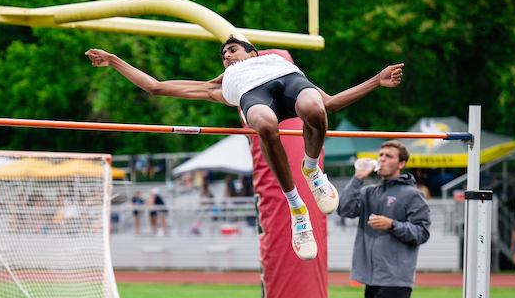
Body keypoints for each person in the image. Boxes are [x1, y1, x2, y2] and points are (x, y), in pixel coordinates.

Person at [86, 37, 404, 261]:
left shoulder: (276, 61)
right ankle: (297, 209)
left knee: (317, 108)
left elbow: (332, 102)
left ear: (252, 53)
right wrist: (114, 61)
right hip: (254, 96)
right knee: (265, 126)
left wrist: (376, 80)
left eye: (232, 50)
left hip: (290, 83)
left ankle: (311, 169)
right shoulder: (221, 83)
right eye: (223, 55)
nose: (226, 57)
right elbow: (155, 86)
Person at [338, 141, 430, 298]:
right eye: (381, 155)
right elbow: (344, 209)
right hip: (372, 278)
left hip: (395, 279)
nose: (382, 159)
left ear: (401, 164)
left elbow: (422, 232)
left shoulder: (413, 195)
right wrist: (357, 178)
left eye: (389, 156)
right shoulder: (368, 192)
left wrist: (392, 224)